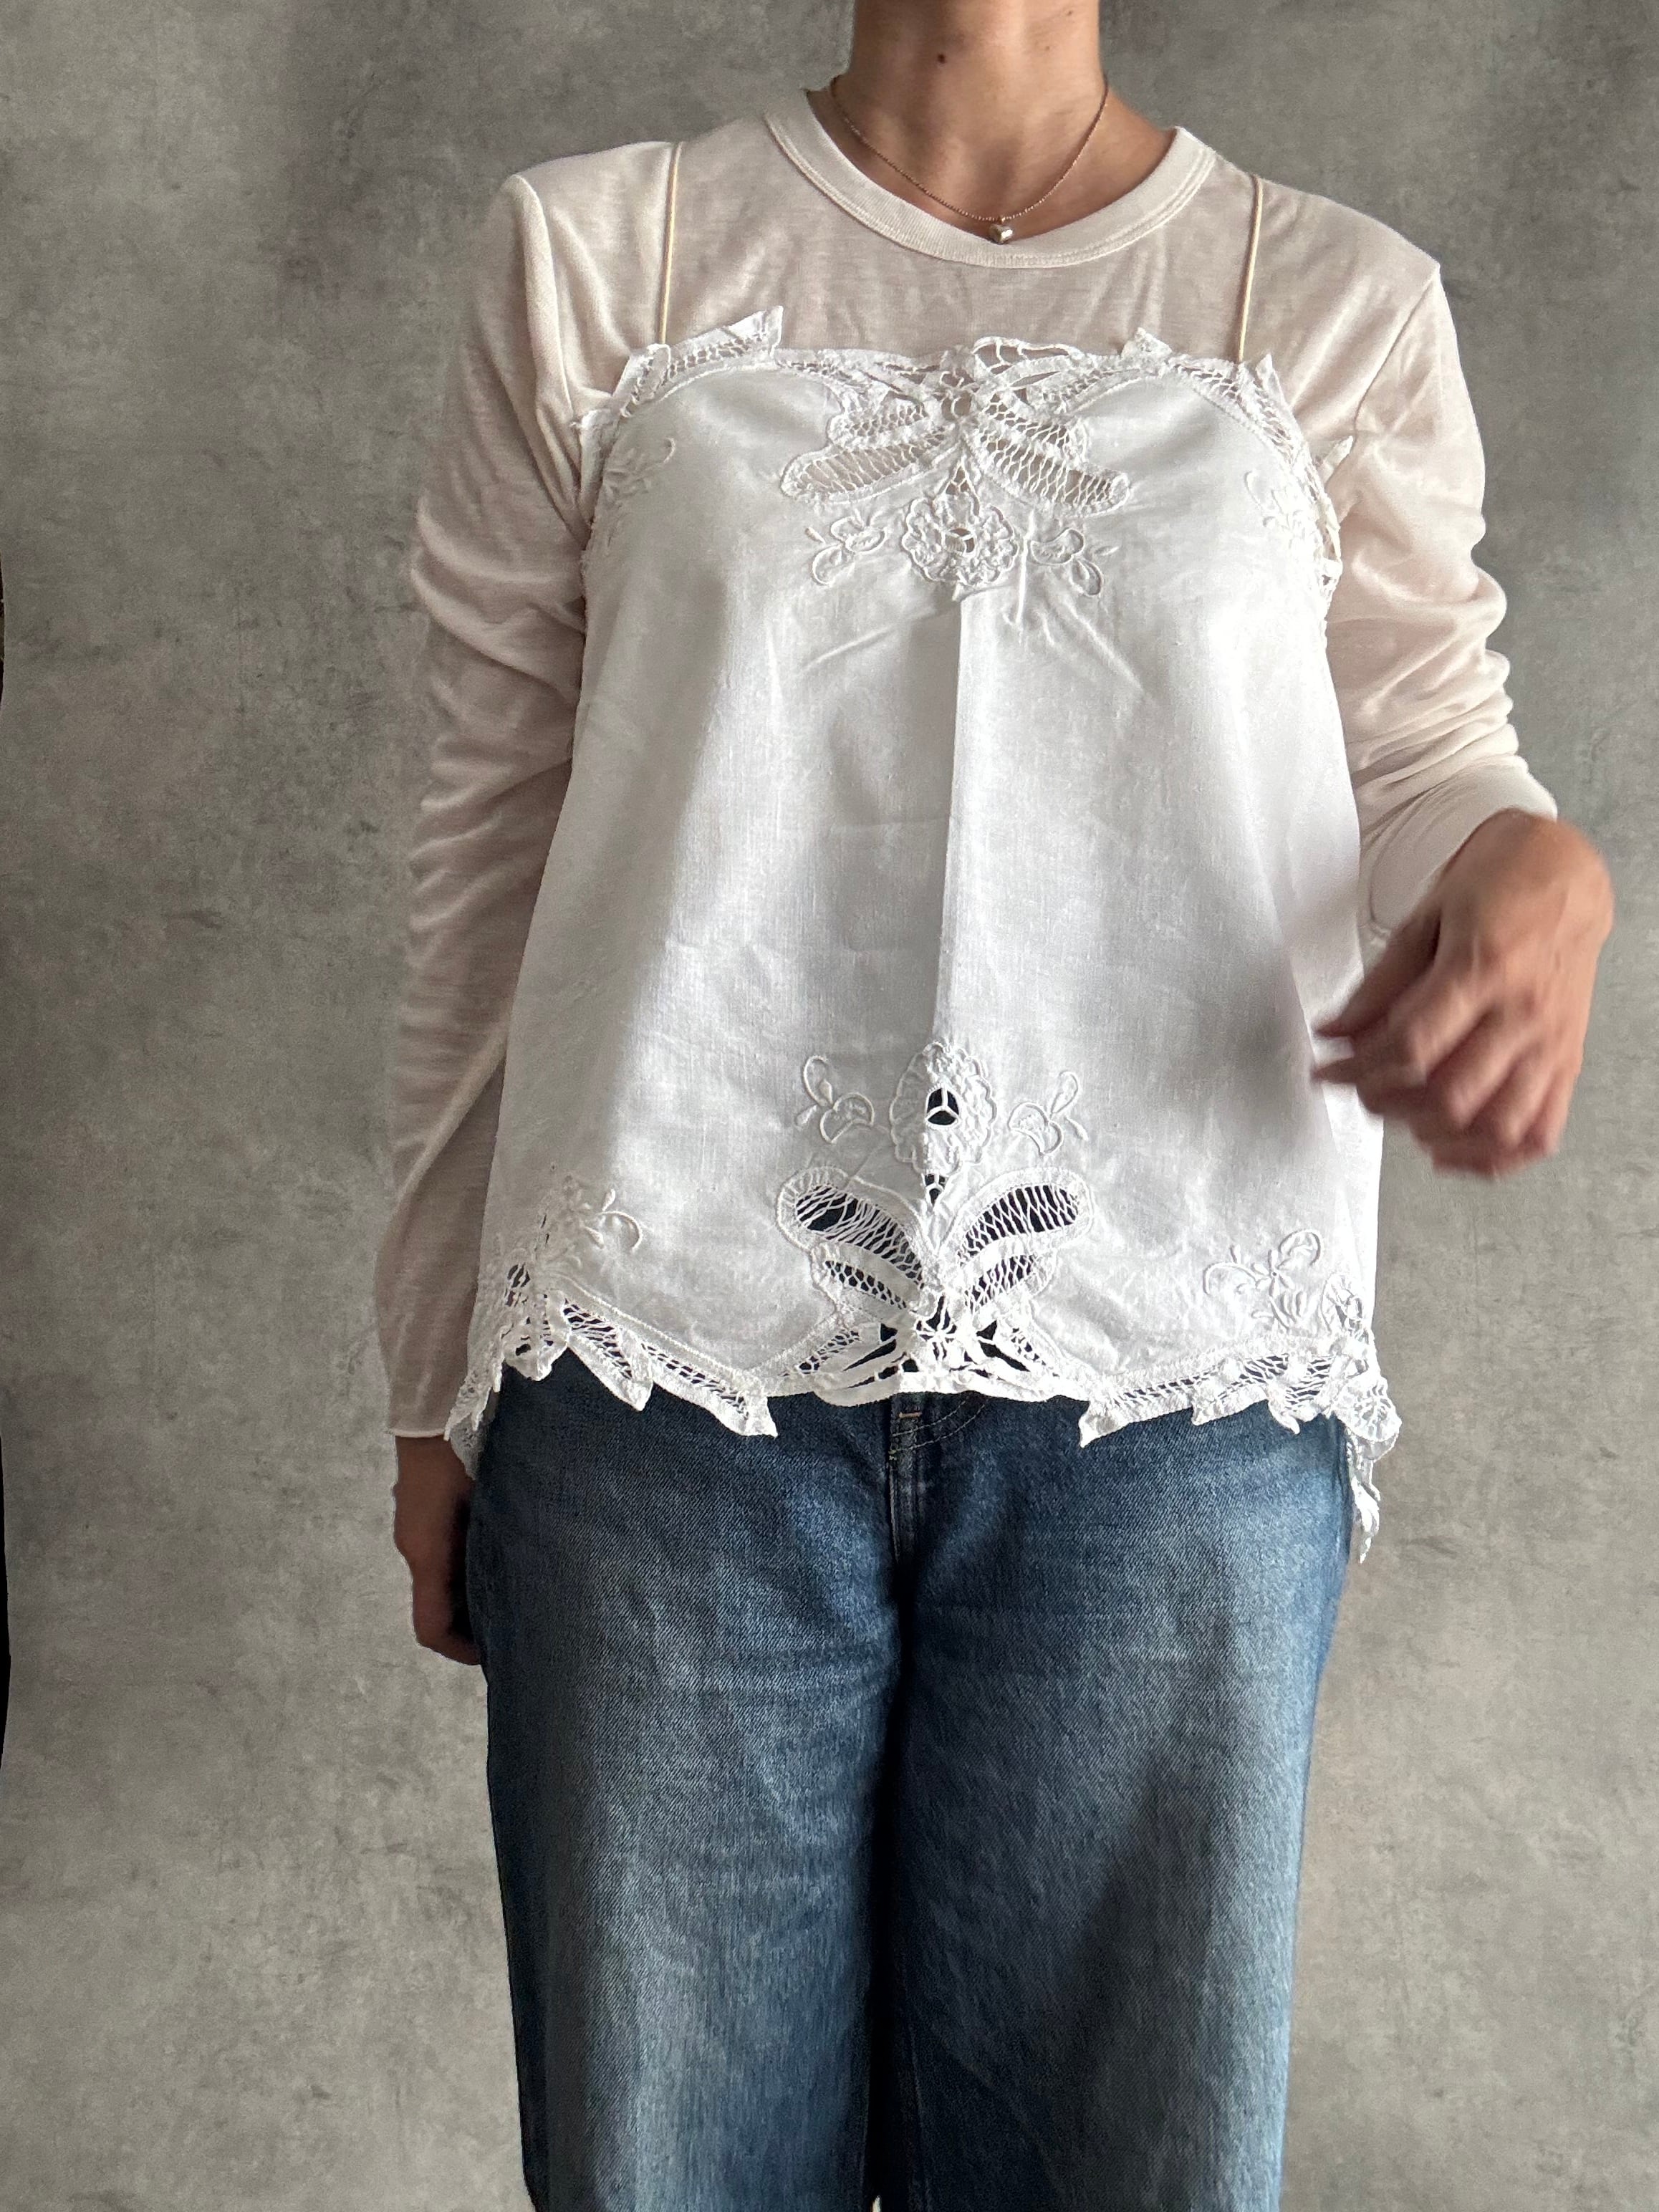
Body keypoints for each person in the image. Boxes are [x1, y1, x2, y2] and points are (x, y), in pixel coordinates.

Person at [375, 6, 1615, 2206]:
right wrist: (425, 1375)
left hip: (1173, 1379)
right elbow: (491, 836)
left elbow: (1425, 748)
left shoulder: (1320, 297)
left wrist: (1540, 868)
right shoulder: (597, 258)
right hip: (663, 1366)